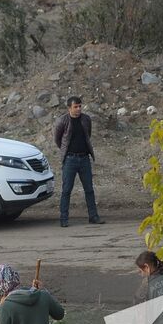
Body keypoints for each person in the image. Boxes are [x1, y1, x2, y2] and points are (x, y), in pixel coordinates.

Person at [54, 95, 103, 227]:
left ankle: (93, 216)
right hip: (70, 159)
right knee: (66, 190)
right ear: (69, 108)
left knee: (89, 189)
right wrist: (66, 151)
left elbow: (88, 135)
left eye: (80, 106)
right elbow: (58, 139)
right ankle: (64, 219)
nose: (78, 109)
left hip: (84, 159)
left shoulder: (86, 119)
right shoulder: (62, 121)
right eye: (75, 107)